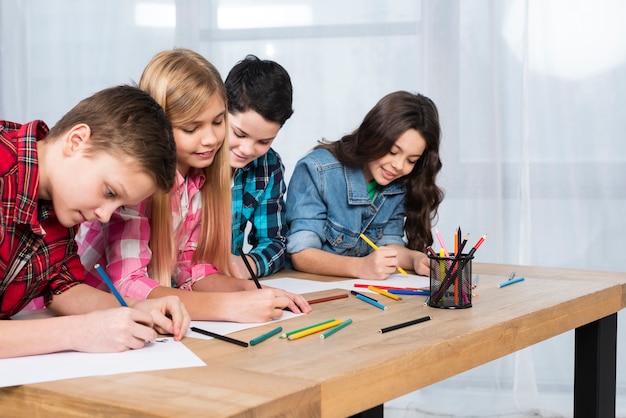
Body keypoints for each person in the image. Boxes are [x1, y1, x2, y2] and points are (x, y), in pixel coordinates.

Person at [77, 49, 311, 323]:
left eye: (217, 122)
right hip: (93, 315)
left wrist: (253, 291)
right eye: (191, 129)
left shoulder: (198, 179)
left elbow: (193, 270)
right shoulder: (136, 185)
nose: (211, 139)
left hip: (141, 321)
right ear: (158, 126)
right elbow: (128, 284)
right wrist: (226, 308)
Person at [0, 85, 190, 358]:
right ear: (76, 141)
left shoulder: (62, 205)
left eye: (118, 204)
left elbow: (64, 288)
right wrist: (80, 332)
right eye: (109, 192)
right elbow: (78, 324)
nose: (104, 215)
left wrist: (136, 307)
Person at [285, 91, 444, 280]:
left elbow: (389, 247)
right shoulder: (318, 170)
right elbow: (301, 254)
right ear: (374, 135)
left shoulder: (398, 184)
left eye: (411, 160)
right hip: (312, 293)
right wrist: (360, 267)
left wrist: (416, 259)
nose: (399, 166)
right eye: (393, 152)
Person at [225, 54, 294, 279]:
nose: (247, 149)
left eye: (264, 141)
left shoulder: (268, 165)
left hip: (227, 283)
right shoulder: (196, 154)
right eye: (239, 133)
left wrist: (247, 265)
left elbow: (275, 241)